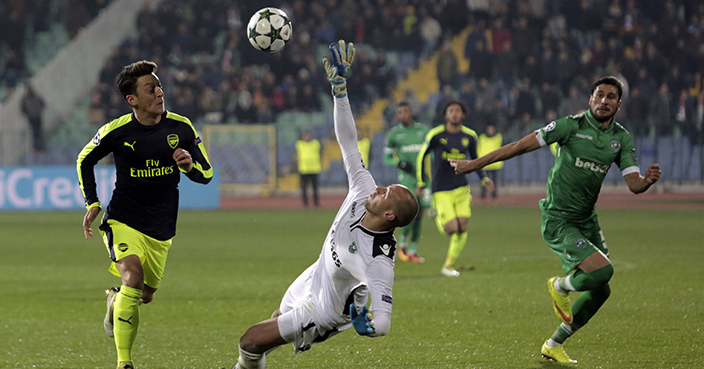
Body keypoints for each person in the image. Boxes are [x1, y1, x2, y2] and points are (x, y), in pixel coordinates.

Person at [233, 40, 419, 369]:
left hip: (324, 311)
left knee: (250, 342)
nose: (379, 187)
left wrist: (367, 328)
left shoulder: (377, 260)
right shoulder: (364, 190)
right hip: (313, 278)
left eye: (386, 191)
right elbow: (348, 142)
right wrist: (340, 91)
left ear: (389, 215)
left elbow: (385, 322)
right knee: (271, 323)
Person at [450, 76, 661, 363]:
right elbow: (518, 146)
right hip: (558, 218)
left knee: (601, 290)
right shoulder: (569, 126)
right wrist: (473, 165)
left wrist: (647, 181)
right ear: (590, 99)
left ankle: (553, 344)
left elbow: (633, 184)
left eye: (611, 97)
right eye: (599, 95)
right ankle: (559, 286)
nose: (604, 101)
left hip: (587, 220)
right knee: (603, 272)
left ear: (618, 105)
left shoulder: (620, 138)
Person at [77, 60, 213, 369]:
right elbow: (84, 159)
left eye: (160, 86)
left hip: (162, 228)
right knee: (133, 277)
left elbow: (207, 174)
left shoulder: (181, 127)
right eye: (151, 89)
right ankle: (124, 362)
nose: (160, 93)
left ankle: (115, 300)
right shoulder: (116, 131)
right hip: (123, 219)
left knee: (144, 293)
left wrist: (190, 166)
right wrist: (92, 202)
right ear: (133, 99)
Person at [416, 100, 494, 277]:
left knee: (462, 227)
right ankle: (436, 212)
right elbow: (422, 156)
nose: (454, 114)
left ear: (463, 115)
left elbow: (476, 160)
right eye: (451, 111)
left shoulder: (470, 136)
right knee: (452, 228)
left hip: (461, 188)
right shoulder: (436, 135)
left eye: (458, 111)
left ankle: (448, 266)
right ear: (446, 115)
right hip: (441, 189)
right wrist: (421, 182)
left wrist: (484, 179)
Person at [383, 102, 429, 262]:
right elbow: (386, 157)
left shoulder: (423, 131)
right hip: (406, 178)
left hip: (423, 177)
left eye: (405, 111)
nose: (402, 115)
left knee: (420, 213)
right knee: (412, 210)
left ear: (411, 113)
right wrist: (399, 164)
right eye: (400, 112)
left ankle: (413, 250)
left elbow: (433, 151)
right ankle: (402, 246)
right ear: (397, 116)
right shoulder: (394, 135)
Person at [294, 131, 322, 207]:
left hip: (314, 168)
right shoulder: (300, 144)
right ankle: (305, 203)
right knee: (304, 188)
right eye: (305, 136)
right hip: (304, 169)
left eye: (308, 136)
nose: (307, 137)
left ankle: (316, 203)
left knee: (315, 188)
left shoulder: (315, 143)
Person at [477, 124, 503, 201]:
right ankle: (483, 196)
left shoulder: (498, 137)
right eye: (489, 129)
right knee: (484, 181)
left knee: (494, 181)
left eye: (492, 129)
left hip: (495, 163)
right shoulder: (482, 138)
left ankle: (494, 196)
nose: (490, 131)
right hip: (485, 163)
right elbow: (479, 149)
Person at [21, 85, 46, 152]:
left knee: (39, 132)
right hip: (31, 118)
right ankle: (35, 148)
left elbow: (43, 104)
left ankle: (41, 147)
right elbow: (23, 109)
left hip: (37, 116)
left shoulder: (37, 97)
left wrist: (39, 111)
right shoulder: (25, 99)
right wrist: (28, 114)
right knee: (34, 133)